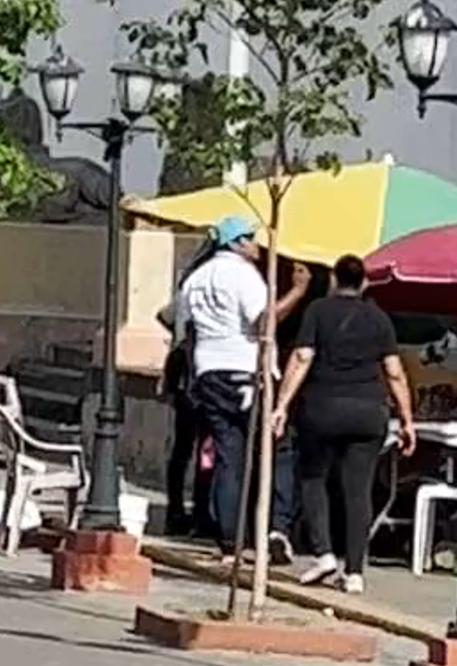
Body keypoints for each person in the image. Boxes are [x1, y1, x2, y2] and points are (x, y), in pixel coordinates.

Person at [275, 246, 417, 581]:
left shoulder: (318, 311)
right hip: (369, 411)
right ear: (365, 283)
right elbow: (395, 372)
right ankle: (354, 572)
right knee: (359, 490)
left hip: (322, 408)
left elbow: (301, 358)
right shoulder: (380, 319)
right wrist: (408, 420)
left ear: (335, 279)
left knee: (313, 479)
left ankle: (323, 553)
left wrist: (281, 406)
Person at [164, 214, 269, 548]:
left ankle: (226, 534)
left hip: (206, 372)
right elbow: (262, 323)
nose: (256, 244)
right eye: (251, 237)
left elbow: (182, 331)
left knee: (224, 454)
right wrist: (295, 293)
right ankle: (248, 531)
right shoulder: (244, 276)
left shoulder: (195, 279)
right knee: (251, 455)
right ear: (235, 242)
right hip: (243, 371)